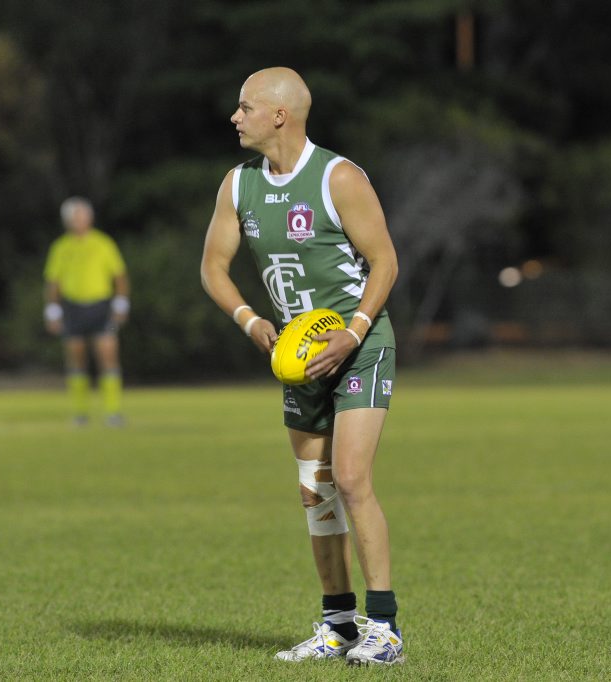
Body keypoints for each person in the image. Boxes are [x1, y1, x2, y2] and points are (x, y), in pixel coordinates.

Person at [200, 67, 403, 666]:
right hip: (298, 356)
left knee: (351, 479)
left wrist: (354, 331)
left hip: (360, 344)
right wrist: (249, 320)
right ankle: (338, 626)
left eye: (245, 107)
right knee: (315, 491)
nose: (235, 117)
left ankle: (385, 629)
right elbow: (212, 267)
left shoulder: (338, 177)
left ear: (279, 115)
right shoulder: (238, 185)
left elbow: (385, 261)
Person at [43, 197, 130, 427]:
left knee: (108, 356)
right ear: (68, 221)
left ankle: (112, 411)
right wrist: (52, 311)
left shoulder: (103, 243)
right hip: (72, 308)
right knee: (76, 358)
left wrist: (121, 304)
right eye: (76, 217)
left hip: (101, 307)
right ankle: (80, 412)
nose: (80, 221)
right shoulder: (61, 247)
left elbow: (119, 276)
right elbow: (53, 281)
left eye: (83, 216)